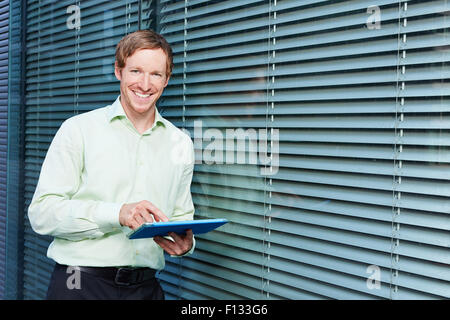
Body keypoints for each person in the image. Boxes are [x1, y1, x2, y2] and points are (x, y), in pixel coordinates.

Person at [28, 30, 195, 300]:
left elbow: (181, 215)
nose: (144, 84)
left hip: (146, 289)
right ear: (119, 71)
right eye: (136, 71)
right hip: (79, 285)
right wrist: (116, 214)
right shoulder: (78, 130)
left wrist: (186, 242)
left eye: (156, 74)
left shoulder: (181, 143)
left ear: (167, 80)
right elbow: (43, 213)